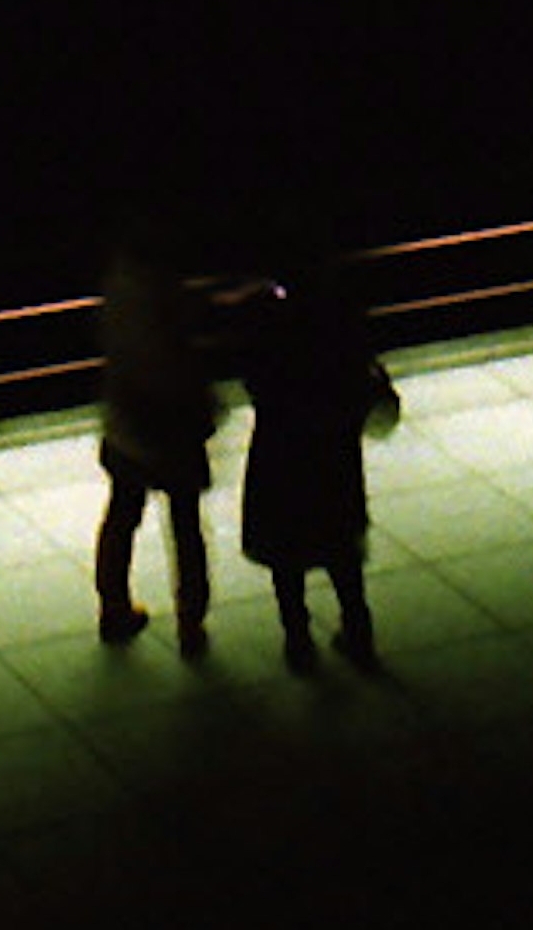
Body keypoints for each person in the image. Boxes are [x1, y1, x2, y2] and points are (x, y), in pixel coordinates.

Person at [234, 256, 399, 670]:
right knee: (340, 542)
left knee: (285, 549)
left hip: (281, 448)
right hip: (332, 447)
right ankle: (358, 629)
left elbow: (255, 380)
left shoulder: (269, 322)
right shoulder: (340, 321)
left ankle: (298, 637)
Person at [92, 231, 220, 650]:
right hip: (173, 424)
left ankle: (113, 607)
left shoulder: (118, 281)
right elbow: (180, 354)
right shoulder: (166, 291)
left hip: (127, 419)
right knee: (185, 524)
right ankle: (191, 621)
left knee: (123, 514)